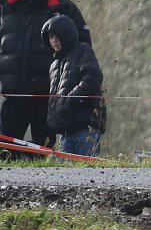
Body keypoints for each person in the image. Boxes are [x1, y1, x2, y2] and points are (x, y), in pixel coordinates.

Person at [0, 0, 89, 157]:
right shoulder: (5, 6)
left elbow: (82, 47)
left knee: (43, 157)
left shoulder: (64, 8)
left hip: (47, 99)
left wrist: (65, 77)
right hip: (12, 96)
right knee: (6, 156)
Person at [42, 14, 105, 157]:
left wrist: (70, 98)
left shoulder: (83, 50)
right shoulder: (54, 64)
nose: (54, 41)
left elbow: (94, 77)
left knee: (87, 173)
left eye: (58, 36)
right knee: (65, 176)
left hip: (85, 129)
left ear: (68, 35)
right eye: (51, 37)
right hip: (65, 132)